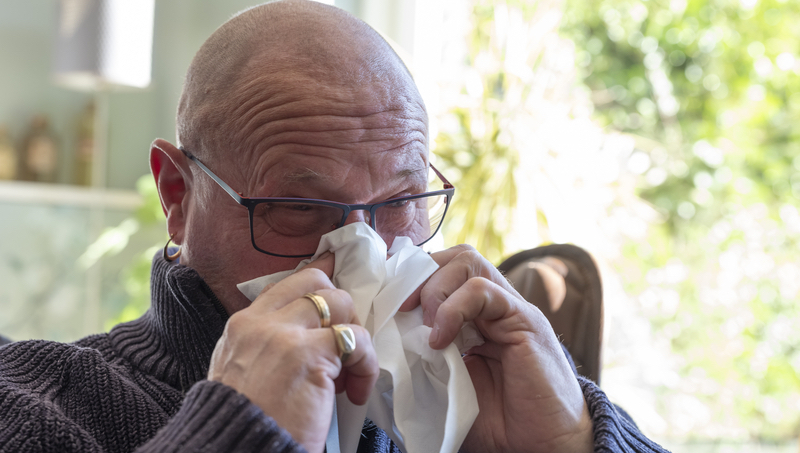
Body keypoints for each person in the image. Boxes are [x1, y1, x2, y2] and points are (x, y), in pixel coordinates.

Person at [0, 1, 669, 452]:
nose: (366, 249)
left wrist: (575, 439)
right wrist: (236, 431)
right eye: (301, 207)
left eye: (403, 199)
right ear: (178, 193)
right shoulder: (34, 403)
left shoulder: (473, 405)